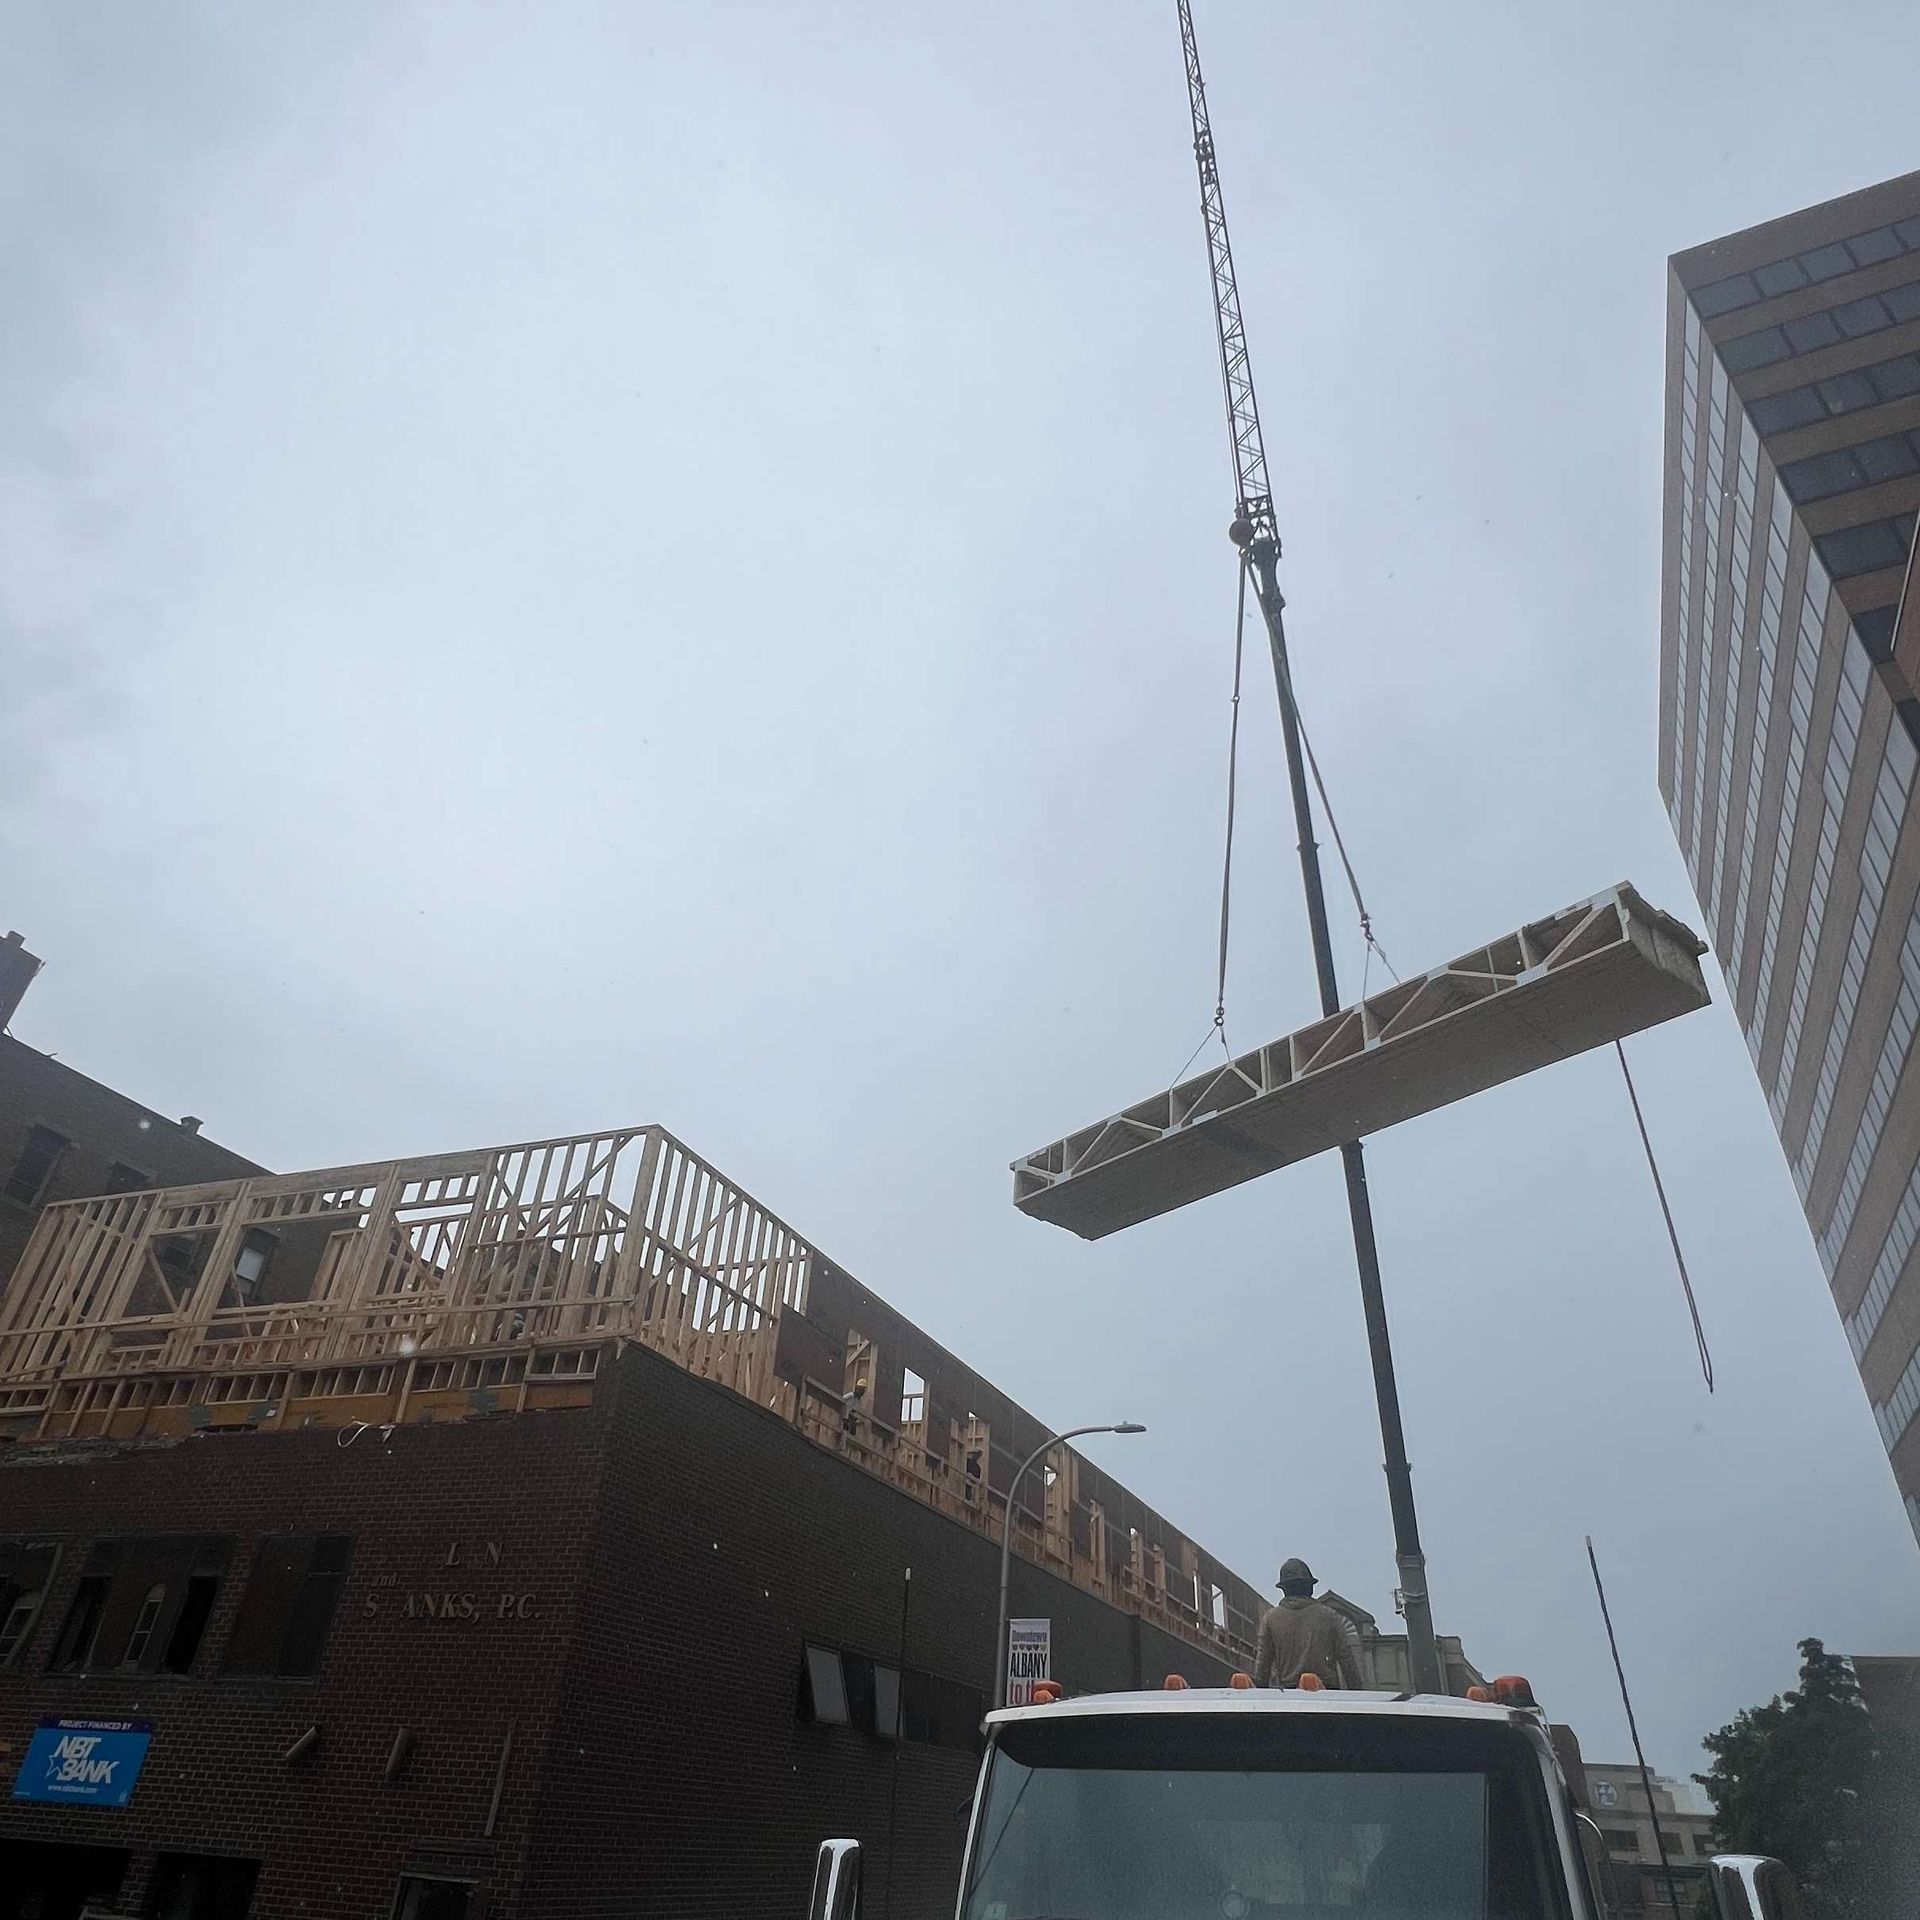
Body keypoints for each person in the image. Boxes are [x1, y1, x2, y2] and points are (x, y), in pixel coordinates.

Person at [1253, 1557, 1362, 1688]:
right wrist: (1358, 1694)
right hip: (1327, 1693)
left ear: (1284, 1589)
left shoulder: (1271, 1618)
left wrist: (1261, 1696)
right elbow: (1347, 1661)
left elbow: (1262, 1668)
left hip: (1288, 1694)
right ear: (1309, 1587)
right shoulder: (1329, 1616)